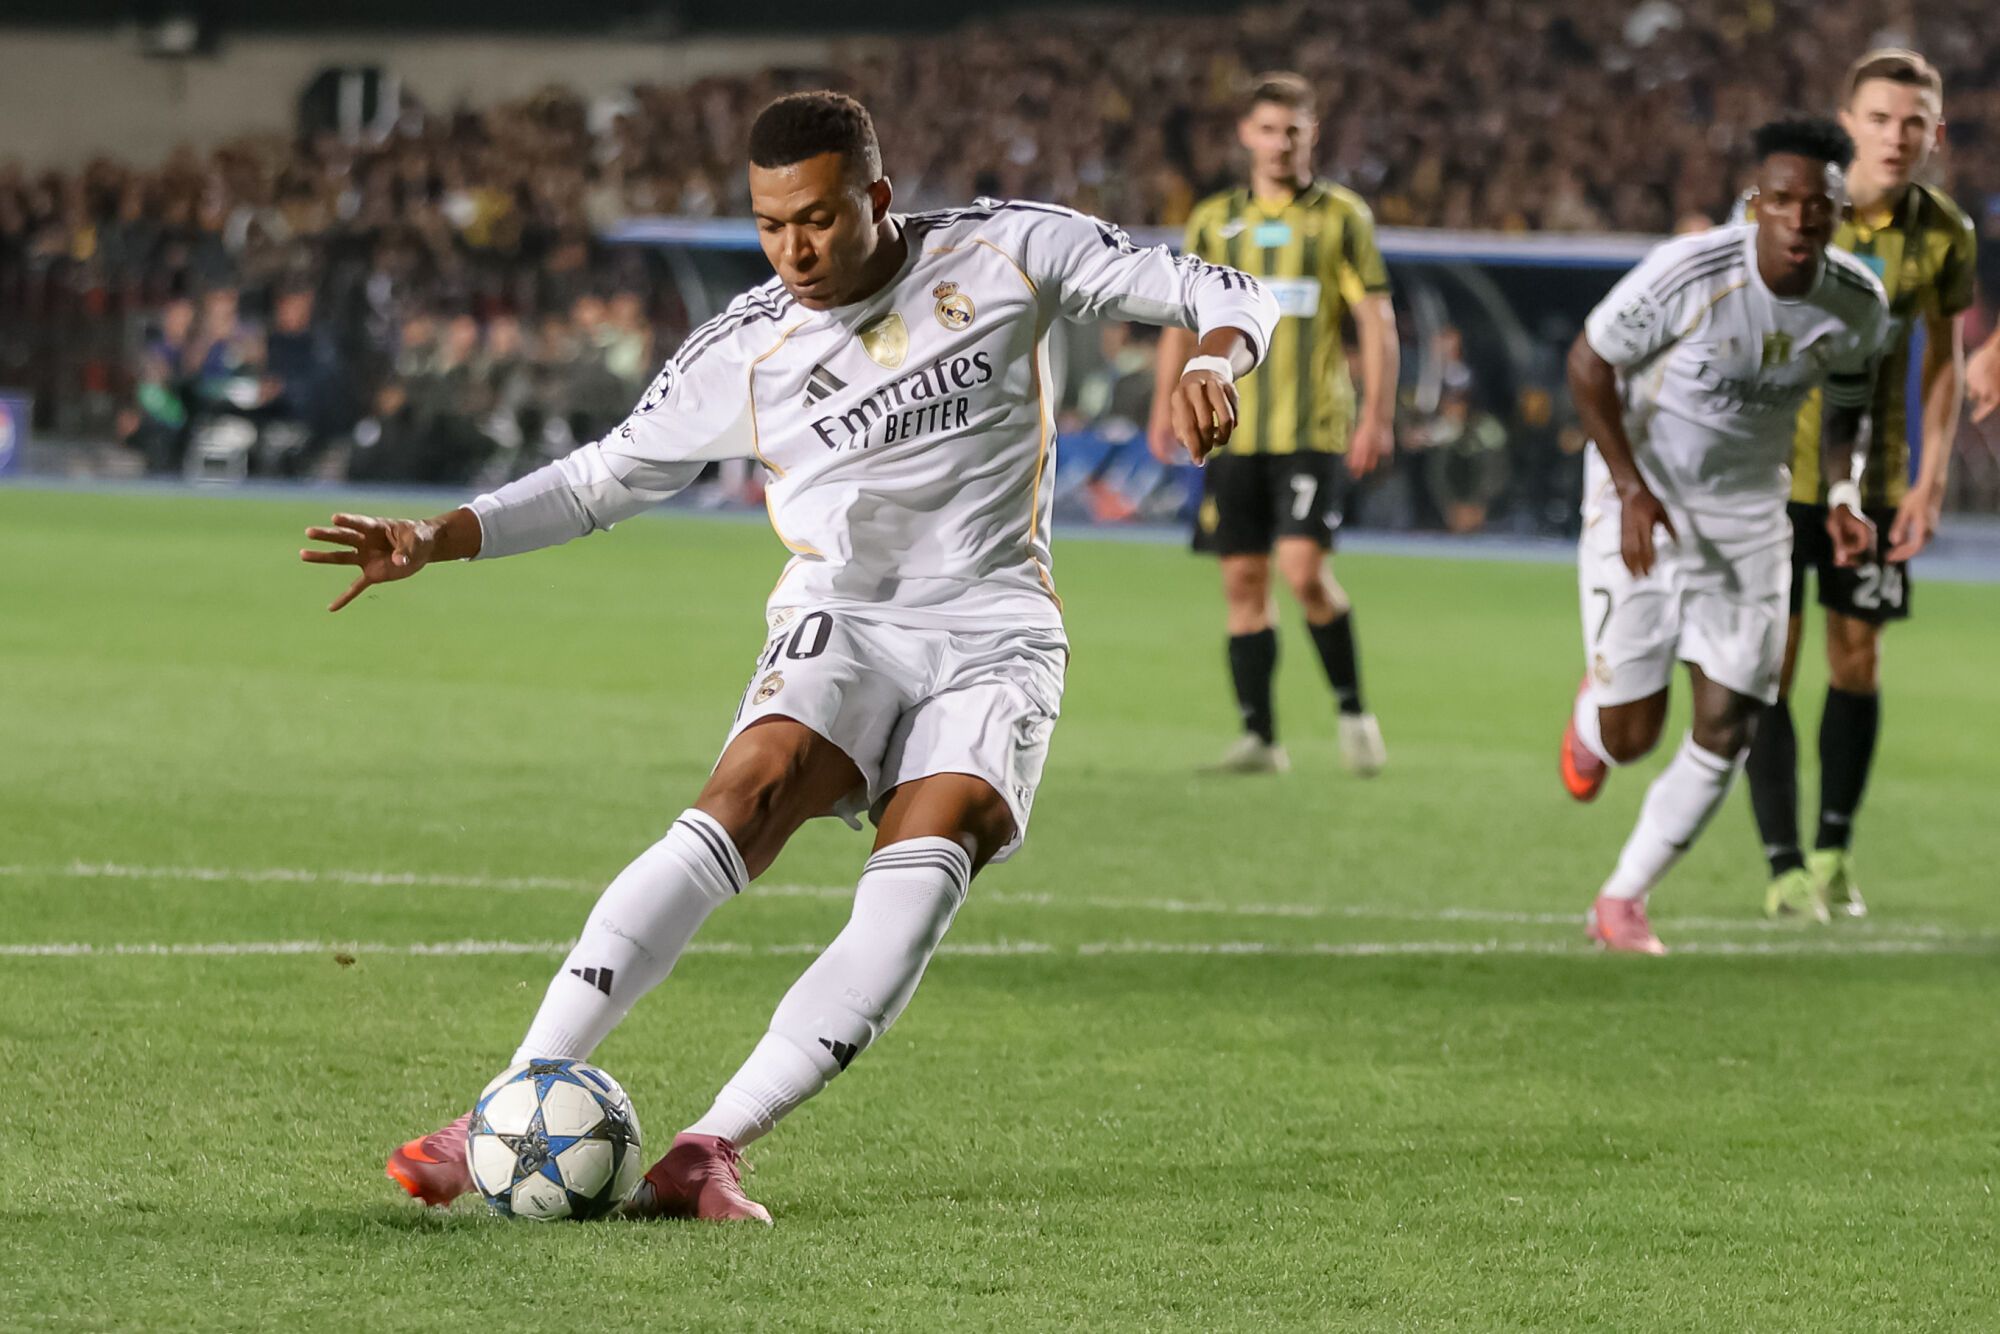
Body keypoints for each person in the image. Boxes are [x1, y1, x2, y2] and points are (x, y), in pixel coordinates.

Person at [302, 91, 1277, 1222]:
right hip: (843, 616)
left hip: (996, 625)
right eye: (770, 225)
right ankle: (508, 1099)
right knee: (746, 792)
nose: (794, 249)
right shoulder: (748, 348)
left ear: (875, 196)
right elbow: (597, 479)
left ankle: (706, 1147)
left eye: (815, 218)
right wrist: (437, 536)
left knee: (928, 860)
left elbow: (1222, 287)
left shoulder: (1006, 249)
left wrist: (1216, 356)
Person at [1557, 119, 1890, 955]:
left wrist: (1845, 491)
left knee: (1731, 717)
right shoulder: (1691, 271)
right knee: (1635, 737)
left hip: (1749, 517)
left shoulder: (1856, 300)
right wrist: (1631, 488)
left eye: (1818, 206)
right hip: (1645, 497)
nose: (1799, 219)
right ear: (1756, 204)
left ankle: (1623, 898)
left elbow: (1851, 395)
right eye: (1781, 201)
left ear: (1839, 213)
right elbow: (1588, 366)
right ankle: (1595, 720)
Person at [1741, 51, 1981, 922]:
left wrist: (1930, 478)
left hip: (1873, 481)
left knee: (1859, 658)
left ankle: (1835, 849)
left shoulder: (1946, 232)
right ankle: (1782, 863)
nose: (1896, 135)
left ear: (1934, 135)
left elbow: (1945, 366)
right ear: (1848, 125)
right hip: (1769, 472)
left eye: (1913, 122)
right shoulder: (1790, 205)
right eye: (1879, 118)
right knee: (1770, 664)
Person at [1147, 72, 1396, 777]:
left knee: (1303, 570)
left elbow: (1376, 319)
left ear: (1310, 134)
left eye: (1292, 130)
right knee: (1243, 584)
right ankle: (1261, 737)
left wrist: (1377, 413)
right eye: (1267, 129)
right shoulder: (1213, 219)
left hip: (1314, 424)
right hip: (1233, 428)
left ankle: (1352, 711)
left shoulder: (1343, 216)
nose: (1279, 143)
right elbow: (1181, 318)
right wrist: (1164, 397)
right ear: (1245, 136)